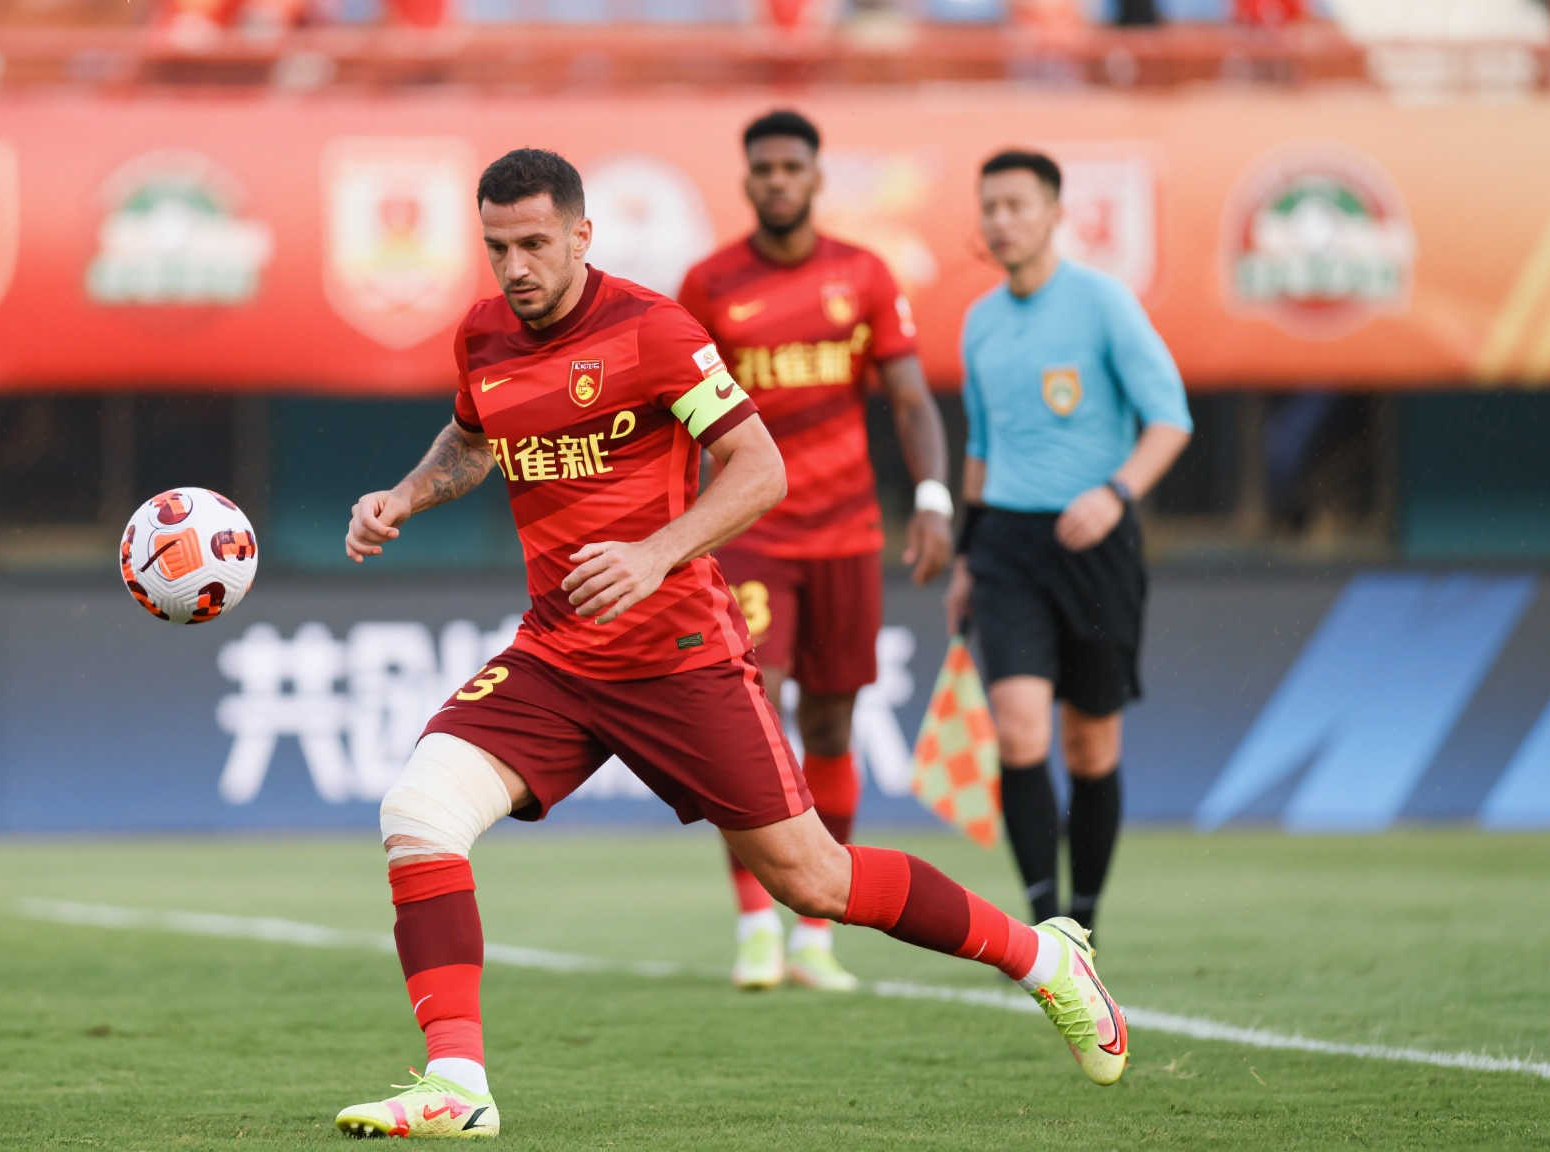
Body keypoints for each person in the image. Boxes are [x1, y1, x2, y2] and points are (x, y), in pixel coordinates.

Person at [335, 148, 1127, 1140]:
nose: (515, 267)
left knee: (814, 880)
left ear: (582, 235)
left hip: (678, 656)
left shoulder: (653, 330)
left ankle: (1044, 958)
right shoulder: (483, 334)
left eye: (534, 243)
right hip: (559, 654)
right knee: (418, 810)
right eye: (497, 247)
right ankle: (457, 1083)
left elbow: (759, 468)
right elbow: (471, 437)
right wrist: (404, 496)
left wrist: (654, 553)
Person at [677, 109, 953, 994]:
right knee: (750, 720)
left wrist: (933, 498)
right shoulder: (710, 284)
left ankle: (816, 934)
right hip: (749, 530)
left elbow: (909, 397)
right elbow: (675, 412)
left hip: (846, 532)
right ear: (747, 180)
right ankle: (756, 926)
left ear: (815, 177)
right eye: (763, 168)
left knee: (831, 723)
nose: (777, 181)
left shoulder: (863, 275)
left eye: (791, 167)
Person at [944, 149, 1192, 947]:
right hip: (1006, 547)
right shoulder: (980, 321)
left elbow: (1170, 419)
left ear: (1055, 214)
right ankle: (1047, 926)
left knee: (1091, 744)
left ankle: (1085, 920)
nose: (1001, 220)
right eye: (990, 206)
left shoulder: (1102, 303)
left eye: (1017, 205)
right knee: (1020, 730)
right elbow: (980, 447)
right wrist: (965, 556)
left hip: (1096, 547)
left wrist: (1115, 493)